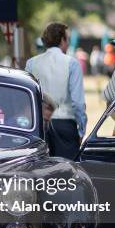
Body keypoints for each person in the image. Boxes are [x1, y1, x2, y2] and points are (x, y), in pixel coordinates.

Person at [25, 22, 87, 159]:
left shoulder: (31, 63)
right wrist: (82, 130)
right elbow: (78, 102)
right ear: (62, 40)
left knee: (40, 172)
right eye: (67, 39)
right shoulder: (72, 63)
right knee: (66, 174)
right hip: (65, 123)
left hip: (38, 125)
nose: (68, 42)